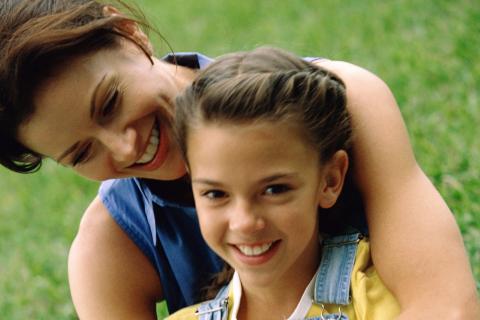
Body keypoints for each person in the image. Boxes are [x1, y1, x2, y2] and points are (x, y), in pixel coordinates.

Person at [0, 0, 477, 319]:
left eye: (109, 103)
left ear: (129, 33)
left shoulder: (341, 100)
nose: (124, 148)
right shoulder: (109, 247)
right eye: (83, 152)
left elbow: (446, 305)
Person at [168, 46, 400, 320]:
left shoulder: (382, 301)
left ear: (330, 180)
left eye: (274, 190)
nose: (244, 222)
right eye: (216, 193)